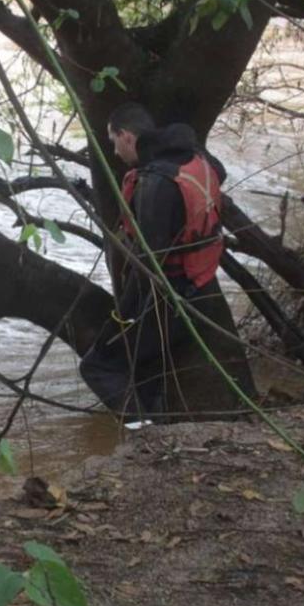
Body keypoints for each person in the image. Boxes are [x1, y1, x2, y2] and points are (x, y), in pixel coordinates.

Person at [79, 102, 226, 420]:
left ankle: (142, 434)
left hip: (171, 302)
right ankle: (155, 424)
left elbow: (149, 266)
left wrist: (123, 317)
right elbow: (217, 178)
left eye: (113, 141)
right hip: (199, 290)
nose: (115, 152)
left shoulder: (155, 183)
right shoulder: (197, 158)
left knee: (96, 366)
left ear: (127, 136)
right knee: (146, 367)